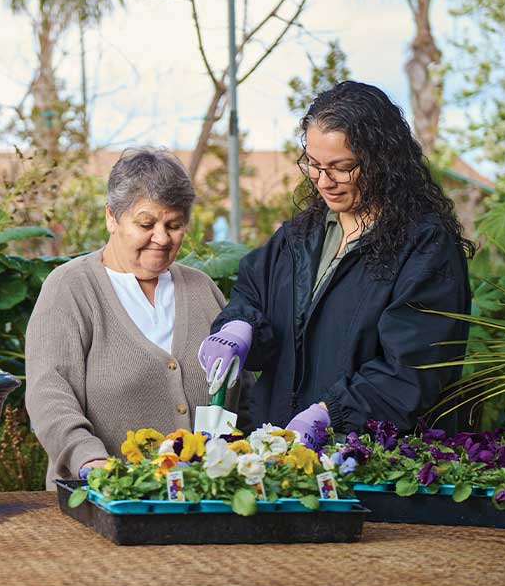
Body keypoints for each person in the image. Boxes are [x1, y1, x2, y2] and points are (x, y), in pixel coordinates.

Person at [197, 81, 474, 449]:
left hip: (369, 459)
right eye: (313, 165)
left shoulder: (425, 247)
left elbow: (414, 369)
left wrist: (332, 414)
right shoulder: (301, 235)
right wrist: (239, 326)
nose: (324, 181)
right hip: (282, 451)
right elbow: (254, 290)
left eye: (341, 168)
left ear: (382, 161)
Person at [25, 147, 236, 488]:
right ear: (112, 217)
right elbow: (49, 392)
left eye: (174, 224)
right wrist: (87, 459)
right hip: (102, 498)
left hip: (204, 501)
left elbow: (240, 390)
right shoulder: (71, 288)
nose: (162, 238)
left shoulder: (201, 289)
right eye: (146, 223)